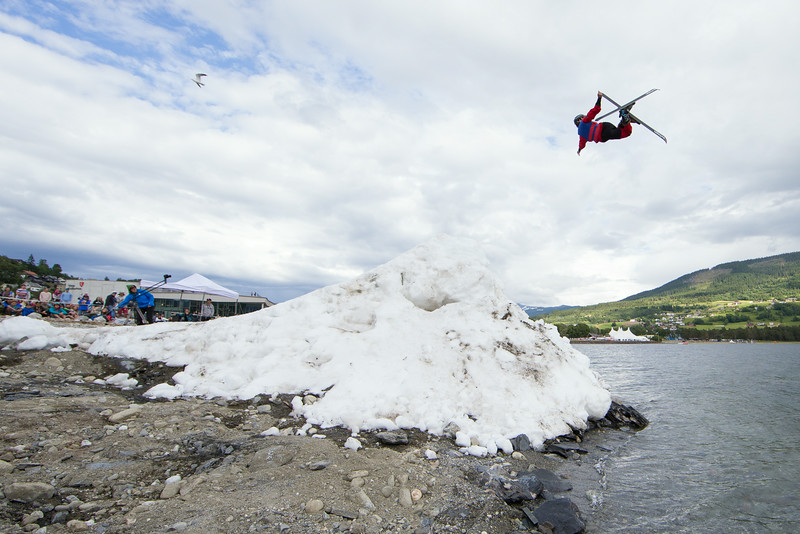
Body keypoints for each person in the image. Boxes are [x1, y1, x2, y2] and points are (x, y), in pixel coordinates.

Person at [575, 91, 637, 155]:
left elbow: (581, 145)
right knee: (620, 130)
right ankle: (625, 120)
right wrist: (599, 98)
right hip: (605, 126)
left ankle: (625, 117)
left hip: (604, 135)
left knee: (626, 133)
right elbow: (595, 110)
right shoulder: (584, 121)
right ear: (580, 119)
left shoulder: (581, 135)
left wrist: (579, 150)